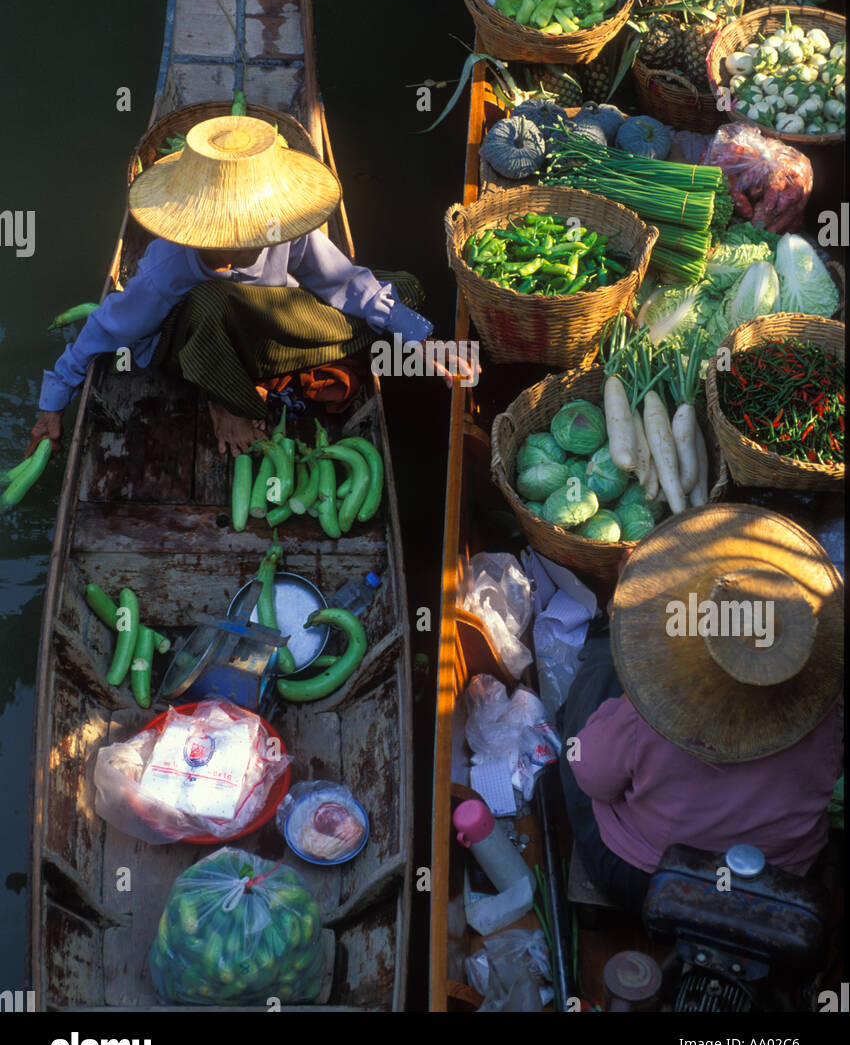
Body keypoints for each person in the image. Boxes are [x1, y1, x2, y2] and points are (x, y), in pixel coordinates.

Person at [29, 116, 471, 457]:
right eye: (227, 239)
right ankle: (225, 401)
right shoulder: (167, 267)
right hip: (192, 353)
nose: (242, 248)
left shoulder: (283, 229)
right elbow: (108, 329)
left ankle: (266, 371)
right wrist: (52, 403)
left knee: (402, 287)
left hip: (261, 326)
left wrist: (422, 342)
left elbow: (343, 282)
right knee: (209, 300)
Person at [558, 525, 844, 916]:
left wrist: (630, 697)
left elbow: (593, 778)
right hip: (779, 887)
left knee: (583, 724)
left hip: (655, 881)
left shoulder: (657, 711)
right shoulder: (829, 701)